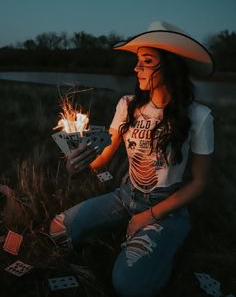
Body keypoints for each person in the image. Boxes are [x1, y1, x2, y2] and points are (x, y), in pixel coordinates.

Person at [49, 20, 214, 297]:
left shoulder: (199, 116)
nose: (136, 68)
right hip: (125, 195)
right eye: (137, 60)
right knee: (57, 229)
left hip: (166, 208)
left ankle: (165, 242)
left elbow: (199, 182)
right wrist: (75, 162)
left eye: (146, 61)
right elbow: (101, 160)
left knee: (128, 286)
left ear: (170, 66)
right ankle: (131, 236)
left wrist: (149, 216)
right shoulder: (127, 105)